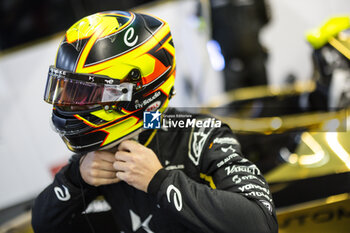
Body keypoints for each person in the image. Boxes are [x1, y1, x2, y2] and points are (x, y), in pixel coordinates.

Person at [31, 10, 278, 233]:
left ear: (138, 93)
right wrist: (76, 178)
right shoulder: (98, 151)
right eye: (68, 92)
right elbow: (42, 224)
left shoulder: (200, 133)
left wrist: (159, 181)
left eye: (86, 94)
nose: (71, 106)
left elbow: (261, 224)